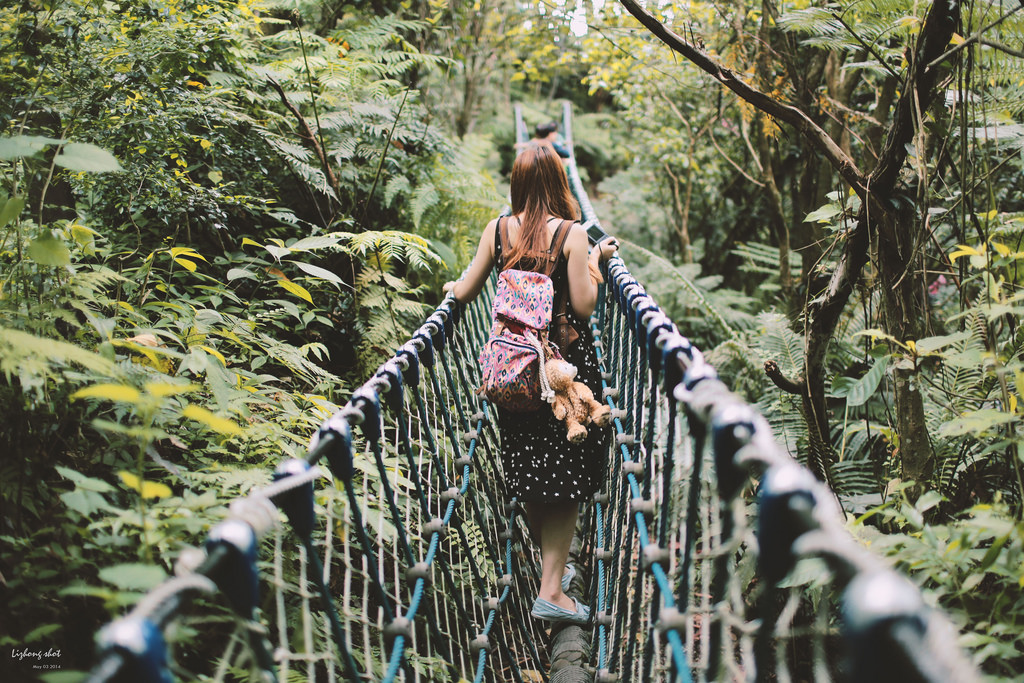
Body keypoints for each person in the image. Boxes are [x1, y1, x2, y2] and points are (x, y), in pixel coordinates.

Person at [444, 144, 619, 625]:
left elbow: (465, 289)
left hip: (511, 371)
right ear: (561, 182)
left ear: (517, 183)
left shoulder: (498, 230)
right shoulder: (573, 233)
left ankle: (550, 576)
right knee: (566, 474)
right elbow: (583, 308)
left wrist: (449, 296)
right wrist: (594, 262)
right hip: (562, 373)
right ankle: (552, 592)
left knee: (531, 468)